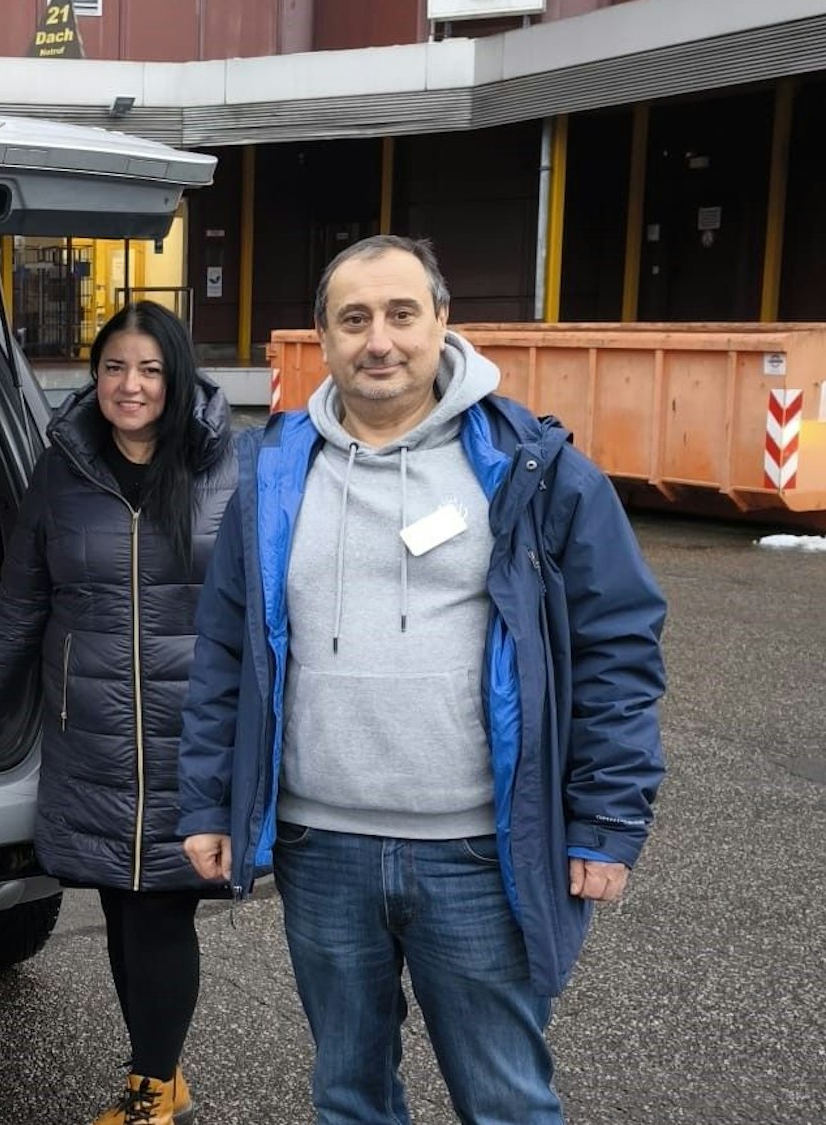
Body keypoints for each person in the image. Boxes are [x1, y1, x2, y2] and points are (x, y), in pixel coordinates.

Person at [177, 234, 667, 1124]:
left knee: (506, 1098)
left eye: (403, 313)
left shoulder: (535, 468)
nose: (381, 340)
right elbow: (224, 649)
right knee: (349, 1094)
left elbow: (618, 645)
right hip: (320, 847)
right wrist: (208, 801)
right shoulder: (277, 470)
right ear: (321, 339)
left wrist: (604, 817)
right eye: (354, 318)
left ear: (443, 322)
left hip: (480, 850)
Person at [0, 301, 236, 1125]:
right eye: (113, 368)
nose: (129, 386)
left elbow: (270, 604)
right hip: (90, 725)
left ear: (176, 376)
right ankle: (161, 1077)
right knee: (121, 904)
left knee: (164, 905)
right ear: (94, 376)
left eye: (149, 370)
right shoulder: (62, 469)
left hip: (189, 730)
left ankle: (150, 1090)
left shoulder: (231, 467)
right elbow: (24, 599)